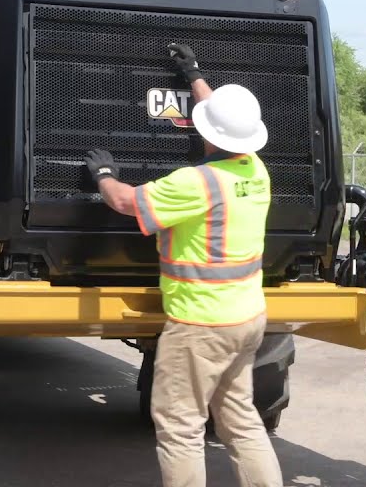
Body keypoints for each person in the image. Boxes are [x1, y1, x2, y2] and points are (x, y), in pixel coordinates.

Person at [84, 43, 282, 487]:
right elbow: (221, 118)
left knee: (180, 429)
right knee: (241, 422)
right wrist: (193, 74)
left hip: (199, 327)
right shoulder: (257, 170)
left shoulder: (195, 183)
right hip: (247, 320)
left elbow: (125, 201)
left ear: (208, 133)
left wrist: (102, 174)